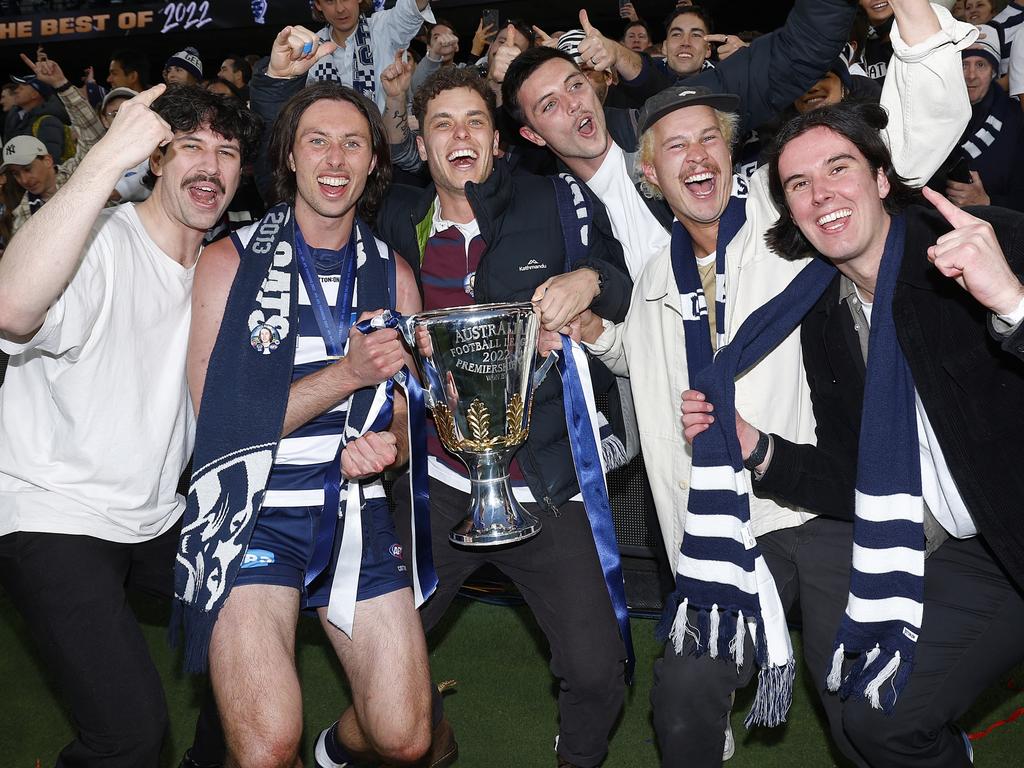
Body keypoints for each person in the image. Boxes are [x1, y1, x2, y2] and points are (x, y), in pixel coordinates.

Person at [577, 2, 975, 765]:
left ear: (729, 157)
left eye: (709, 140)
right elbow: (655, 363)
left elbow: (902, 144)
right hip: (713, 530)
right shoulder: (657, 274)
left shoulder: (784, 216)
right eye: (674, 147)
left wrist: (920, 29)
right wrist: (598, 333)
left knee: (865, 700)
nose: (697, 155)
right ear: (653, 176)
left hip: (815, 508)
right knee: (684, 699)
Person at [683, 96, 1024, 768]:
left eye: (838, 168)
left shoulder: (989, 242)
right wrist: (756, 449)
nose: (821, 195)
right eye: (798, 185)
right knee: (874, 717)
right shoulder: (824, 317)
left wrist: (1013, 302)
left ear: (880, 179)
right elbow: (853, 474)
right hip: (983, 553)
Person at [177, 28, 433, 768]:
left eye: (353, 144)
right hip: (252, 515)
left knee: (405, 737)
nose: (334, 159)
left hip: (355, 512)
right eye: (317, 141)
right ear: (289, 156)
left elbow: (407, 424)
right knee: (263, 750)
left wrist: (391, 444)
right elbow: (216, 427)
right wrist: (347, 375)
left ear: (375, 161)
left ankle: (331, 756)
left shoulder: (395, 277)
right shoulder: (228, 262)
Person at [371, 66, 632, 768]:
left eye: (475, 121)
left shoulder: (555, 196)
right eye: (443, 126)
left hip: (545, 482)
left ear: (497, 137)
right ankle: (392, 740)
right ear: (421, 147)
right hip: (438, 483)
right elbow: (310, 180)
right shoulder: (397, 218)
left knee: (599, 667)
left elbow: (622, 276)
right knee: (373, 648)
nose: (461, 135)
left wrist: (591, 280)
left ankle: (576, 757)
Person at [0, 83, 258, 768]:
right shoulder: (98, 243)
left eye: (226, 151)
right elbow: (10, 307)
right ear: (157, 157)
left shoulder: (225, 268)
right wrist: (103, 160)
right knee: (131, 739)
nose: (210, 166)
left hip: (151, 514)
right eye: (191, 147)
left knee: (255, 610)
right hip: (53, 511)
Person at [3, 55, 108, 233]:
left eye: (27, 169)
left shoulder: (77, 176)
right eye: (16, 174)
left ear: (48, 160)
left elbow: (92, 133)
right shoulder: (23, 214)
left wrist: (62, 84)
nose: (24, 180)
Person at [942, 24, 1024, 210]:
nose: (971, 75)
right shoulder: (936, 116)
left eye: (981, 65)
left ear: (993, 72)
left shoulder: (1015, 120)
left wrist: (987, 202)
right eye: (964, 64)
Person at [306, 0, 438, 115]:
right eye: (330, 1)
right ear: (318, 4)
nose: (340, 9)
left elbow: (411, 8)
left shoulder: (385, 27)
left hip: (387, 139)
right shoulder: (310, 48)